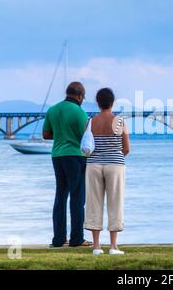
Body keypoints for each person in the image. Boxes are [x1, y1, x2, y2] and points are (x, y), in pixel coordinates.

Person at [43, 81, 91, 247]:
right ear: (79, 96)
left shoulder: (53, 109)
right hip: (75, 157)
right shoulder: (79, 112)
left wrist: (61, 135)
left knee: (60, 197)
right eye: (83, 97)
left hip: (57, 156)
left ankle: (58, 239)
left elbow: (46, 134)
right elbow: (86, 138)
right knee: (77, 198)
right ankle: (77, 238)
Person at [84, 88, 130, 255]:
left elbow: (87, 144)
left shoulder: (90, 121)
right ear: (112, 102)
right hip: (115, 165)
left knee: (93, 203)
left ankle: (96, 246)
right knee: (115, 202)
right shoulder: (120, 121)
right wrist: (114, 156)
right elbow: (126, 148)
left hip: (93, 165)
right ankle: (113, 246)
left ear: (98, 102)